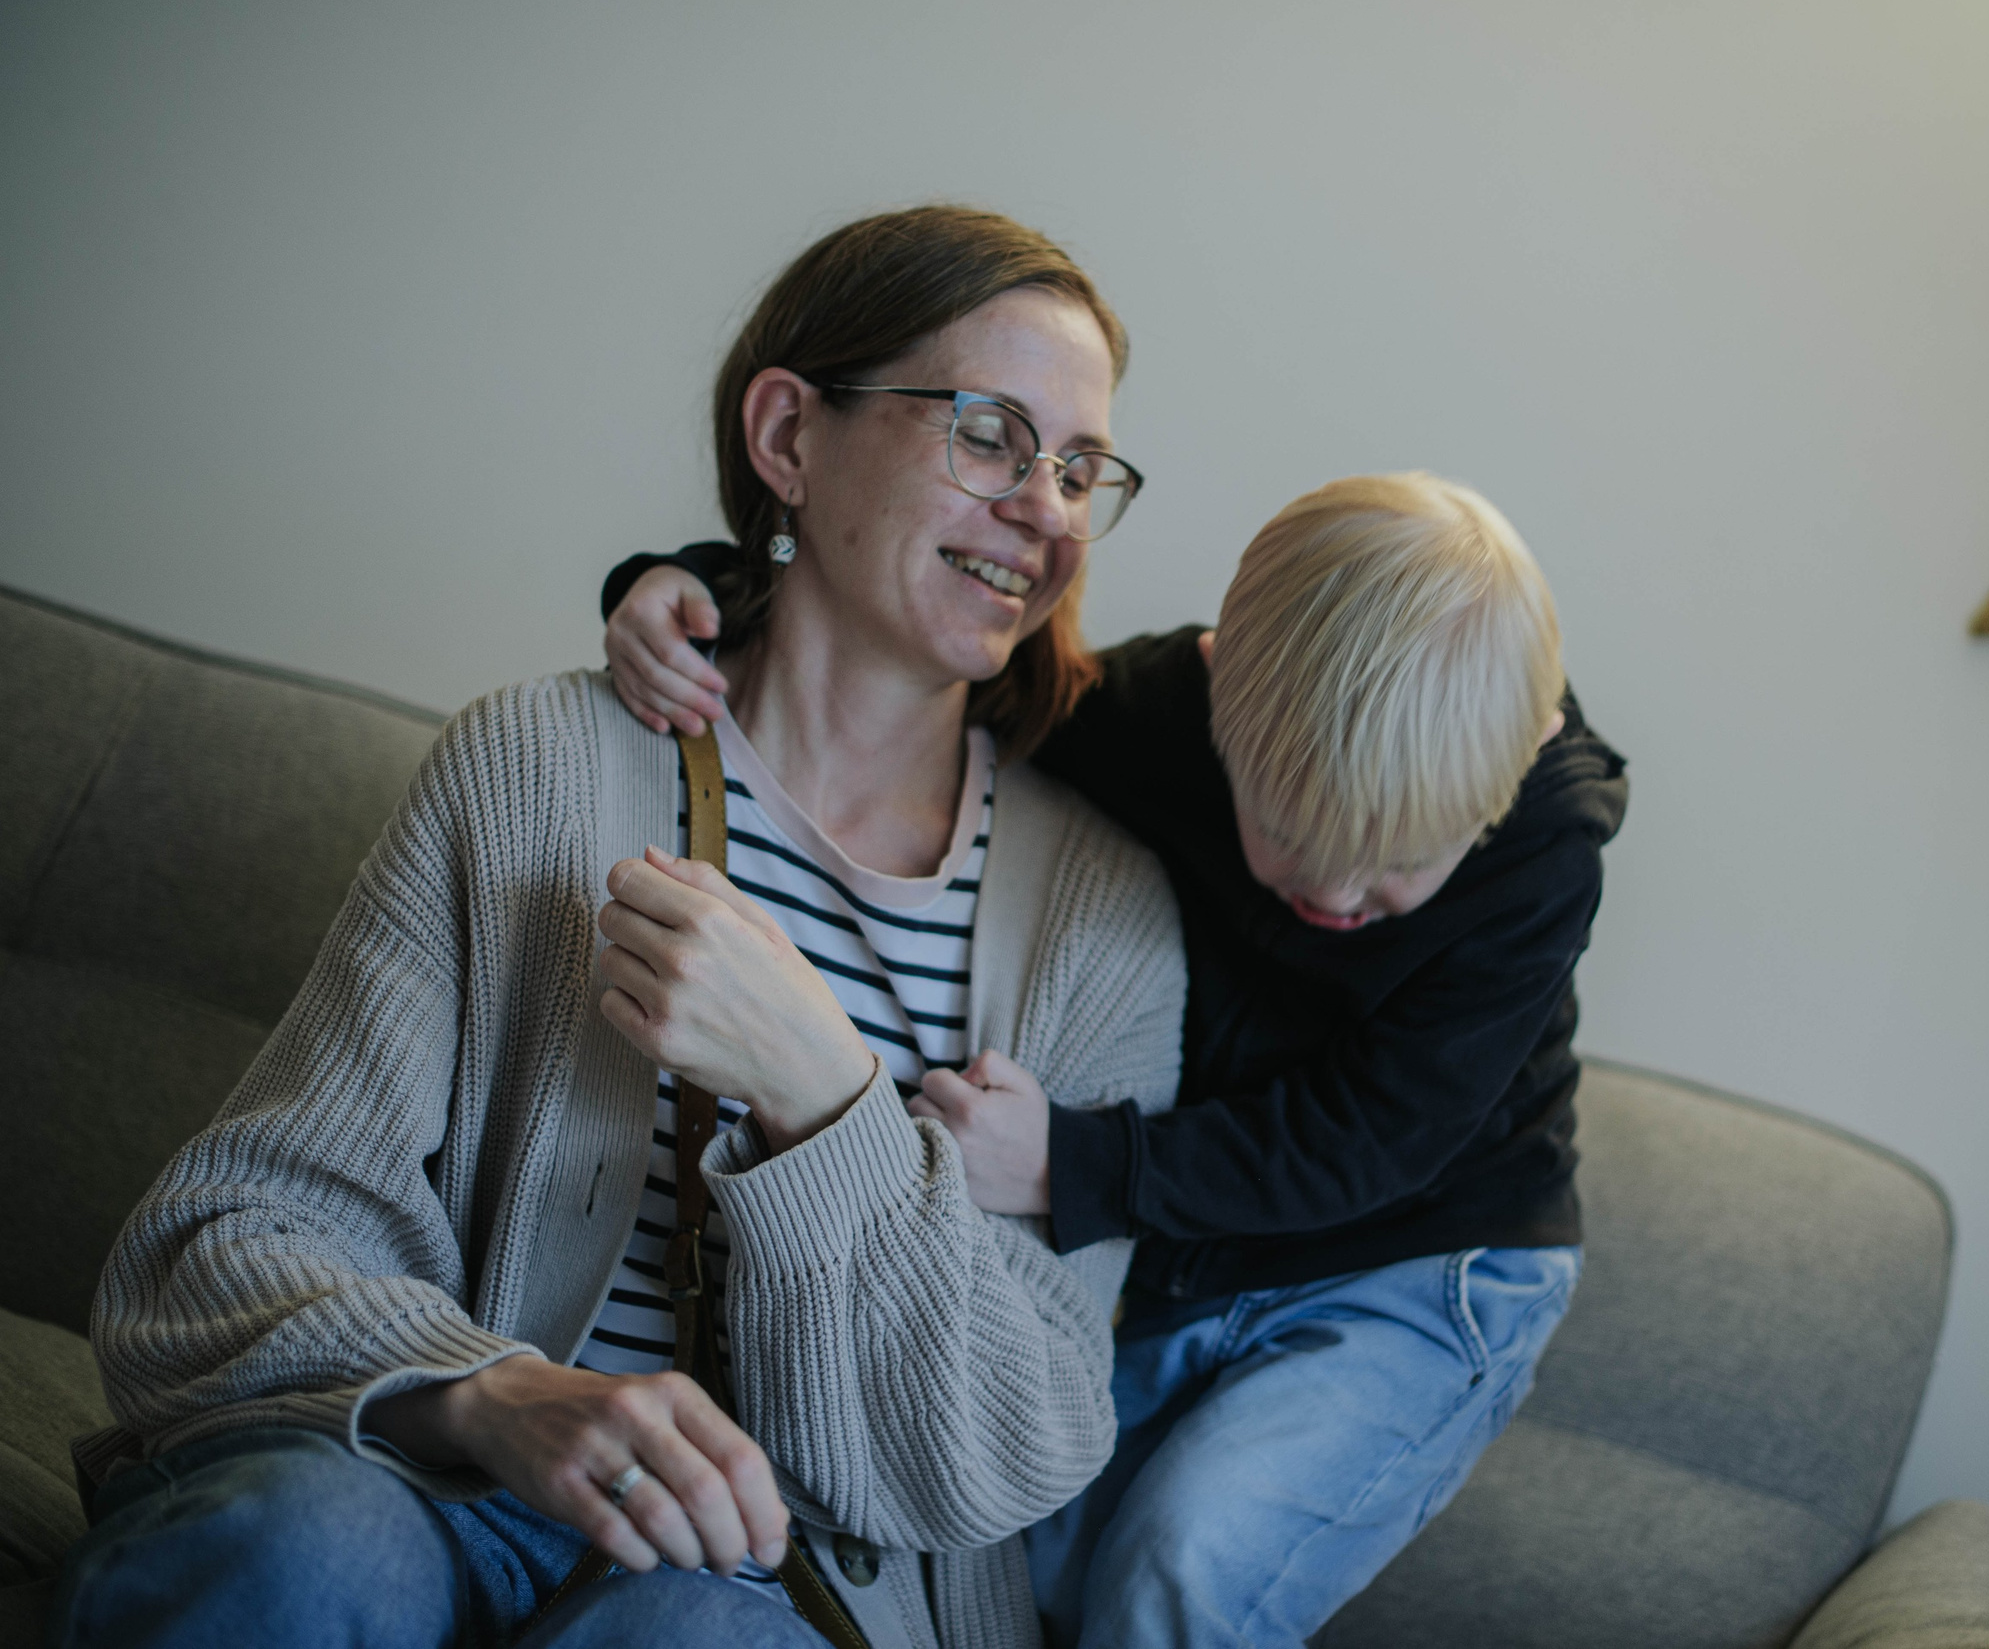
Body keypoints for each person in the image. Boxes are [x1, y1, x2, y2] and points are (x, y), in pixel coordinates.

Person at [53, 206, 1186, 1649]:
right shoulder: (535, 767)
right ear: (788, 436)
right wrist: (489, 1394)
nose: (1050, 507)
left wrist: (825, 1094)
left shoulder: (1105, 926)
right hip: (433, 1487)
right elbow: (211, 1247)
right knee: (306, 1559)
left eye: (1083, 466)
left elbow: (1013, 1444)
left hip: (771, 1592)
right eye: (990, 433)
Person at [598, 469, 1630, 1645]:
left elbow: (1369, 1135)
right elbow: (943, 660)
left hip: (1418, 1262)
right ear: (1215, 697)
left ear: (1512, 775)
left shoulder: (1542, 850)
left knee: (1181, 1566)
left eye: (1398, 866)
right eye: (1288, 843)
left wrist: (1067, 1160)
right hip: (1196, 1252)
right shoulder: (1152, 714)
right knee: (1013, 1561)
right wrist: (698, 594)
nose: (1337, 895)